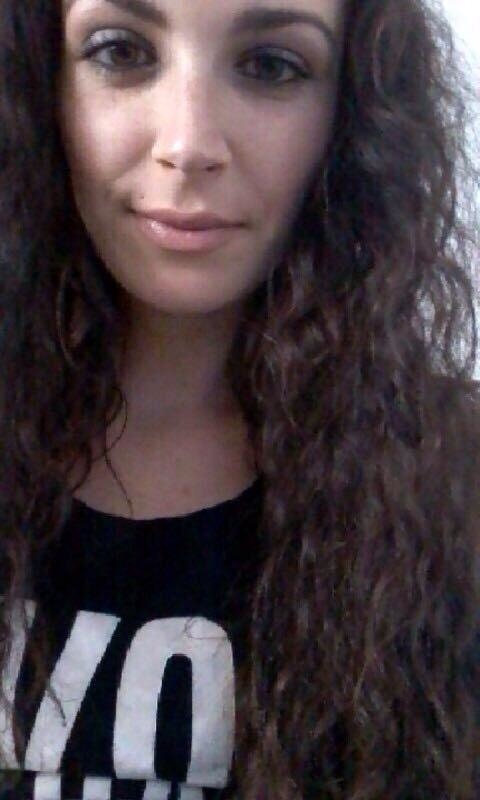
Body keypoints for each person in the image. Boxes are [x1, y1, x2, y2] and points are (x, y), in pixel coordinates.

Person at [0, 0, 478, 798]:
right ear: (36, 82)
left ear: (350, 113)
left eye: (269, 66)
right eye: (121, 51)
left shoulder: (453, 480)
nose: (189, 144)